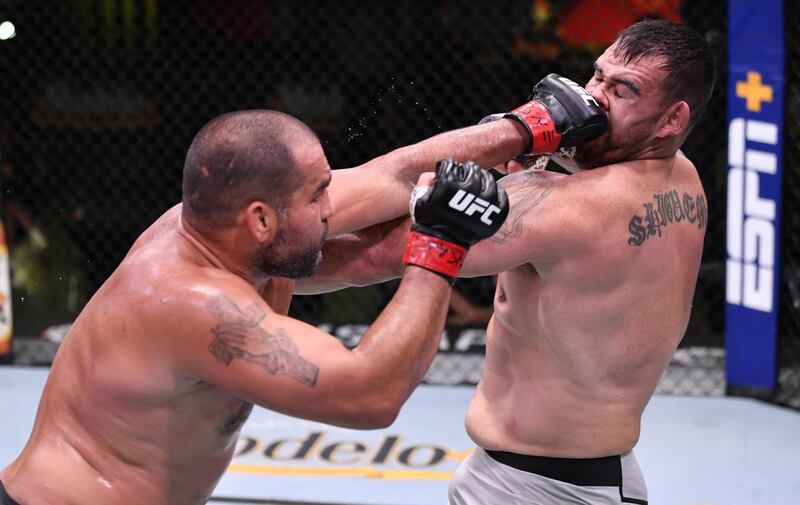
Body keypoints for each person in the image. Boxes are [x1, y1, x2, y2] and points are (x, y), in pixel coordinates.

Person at [0, 110, 518, 504]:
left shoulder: (220, 231)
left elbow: (397, 178)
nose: (332, 208)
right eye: (318, 196)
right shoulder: (192, 304)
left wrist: (532, 125)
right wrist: (440, 243)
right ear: (261, 221)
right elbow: (370, 395)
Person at [303, 19, 715, 504]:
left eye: (624, 90)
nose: (596, 98)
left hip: (544, 489)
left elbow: (371, 255)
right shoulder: (682, 178)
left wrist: (250, 263)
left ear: (672, 119)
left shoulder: (571, 207)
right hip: (574, 474)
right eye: (597, 76)